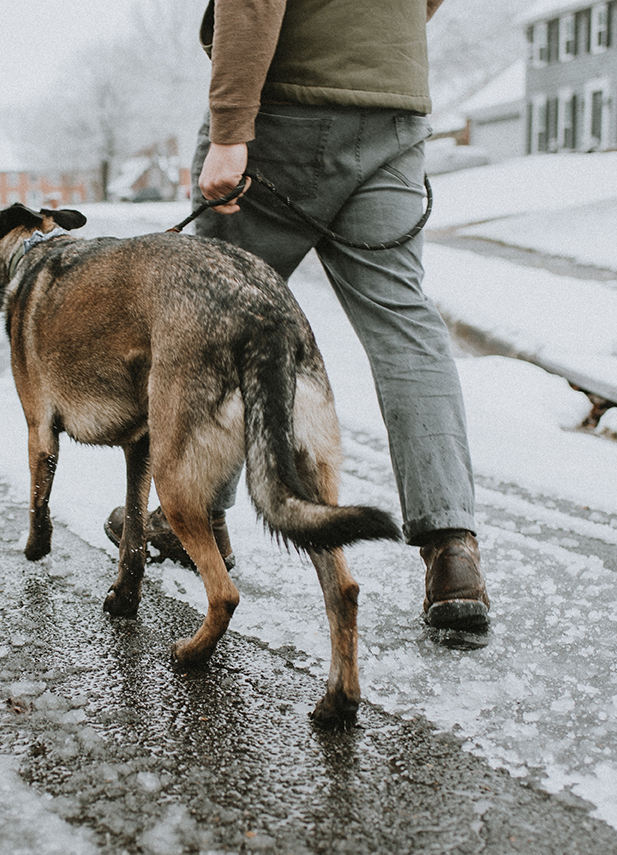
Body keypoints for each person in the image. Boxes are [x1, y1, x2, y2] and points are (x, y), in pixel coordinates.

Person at [107, 0, 490, 630]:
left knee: (215, 323)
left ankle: (200, 522)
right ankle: (453, 552)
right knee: (405, 329)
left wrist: (230, 133)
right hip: (389, 111)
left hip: (284, 107)